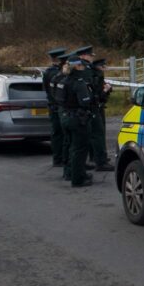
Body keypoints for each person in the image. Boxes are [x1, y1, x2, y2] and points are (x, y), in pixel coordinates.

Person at [61, 56, 94, 187]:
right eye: (82, 66)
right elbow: (85, 102)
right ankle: (78, 178)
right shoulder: (79, 83)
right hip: (77, 119)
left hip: (65, 116)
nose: (84, 68)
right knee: (79, 150)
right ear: (77, 67)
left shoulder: (64, 80)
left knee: (70, 147)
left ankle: (71, 173)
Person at [41, 47, 66, 166]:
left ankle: (59, 158)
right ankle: (59, 158)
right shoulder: (56, 73)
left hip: (53, 105)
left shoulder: (48, 72)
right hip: (57, 106)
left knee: (57, 133)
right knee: (59, 133)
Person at [90, 58, 113, 171]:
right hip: (96, 107)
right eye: (103, 66)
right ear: (100, 67)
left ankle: (97, 157)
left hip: (95, 107)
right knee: (98, 134)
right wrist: (106, 90)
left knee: (96, 134)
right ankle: (100, 160)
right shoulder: (97, 76)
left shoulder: (92, 74)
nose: (105, 68)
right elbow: (99, 95)